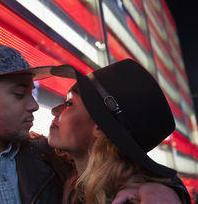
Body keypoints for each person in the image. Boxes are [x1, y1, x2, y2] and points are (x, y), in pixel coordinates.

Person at [0, 44, 188, 204]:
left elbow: (120, 164)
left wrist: (169, 190)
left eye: (32, 94)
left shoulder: (58, 160)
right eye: (20, 94)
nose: (35, 105)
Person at [47, 59, 191, 203]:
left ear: (99, 126)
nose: (55, 110)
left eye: (69, 103)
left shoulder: (130, 199)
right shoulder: (53, 165)